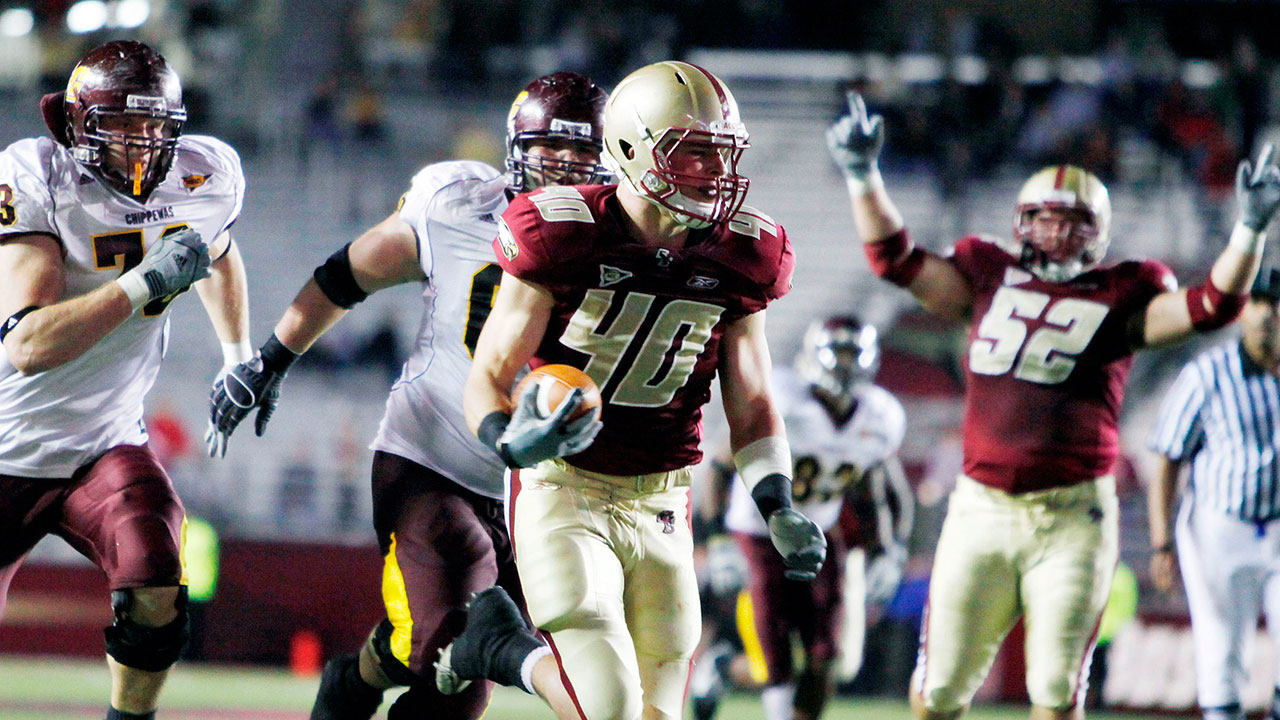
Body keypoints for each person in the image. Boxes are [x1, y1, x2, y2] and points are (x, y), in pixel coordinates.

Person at [826, 90, 1280, 720]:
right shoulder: (986, 274)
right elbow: (896, 260)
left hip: (1073, 519)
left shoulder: (1124, 290)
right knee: (938, 691)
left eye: (1074, 221)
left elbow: (1212, 307)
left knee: (1056, 692)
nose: (1059, 232)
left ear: (1099, 232)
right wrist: (863, 175)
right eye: (1045, 218)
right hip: (981, 509)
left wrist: (1250, 228)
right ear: (1021, 223)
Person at [206, 72, 613, 720]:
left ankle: (354, 681)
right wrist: (272, 359)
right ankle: (385, 673)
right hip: (433, 459)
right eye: (548, 158)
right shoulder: (457, 205)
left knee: (435, 658)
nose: (564, 178)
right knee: (460, 661)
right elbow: (348, 273)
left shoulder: (621, 243)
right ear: (515, 154)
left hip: (536, 492)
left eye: (581, 162)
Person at [435, 60, 829, 720]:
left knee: (659, 710)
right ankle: (506, 648)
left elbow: (754, 401)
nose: (713, 173)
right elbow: (491, 376)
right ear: (625, 148)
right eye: (692, 153)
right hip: (566, 488)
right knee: (608, 704)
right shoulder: (559, 231)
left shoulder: (744, 251)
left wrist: (777, 501)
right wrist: (507, 438)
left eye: (721, 154)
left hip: (665, 500)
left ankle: (503, 649)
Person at [0, 40, 250, 720]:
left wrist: (238, 353)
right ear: (79, 123)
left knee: (157, 576)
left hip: (101, 443)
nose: (140, 145)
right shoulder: (35, 176)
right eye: (119, 126)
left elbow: (217, 252)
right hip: (4, 446)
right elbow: (28, 344)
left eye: (153, 127)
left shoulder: (205, 174)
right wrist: (142, 284)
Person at [690, 314, 915, 720]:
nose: (845, 365)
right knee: (773, 648)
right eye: (838, 354)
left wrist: (887, 549)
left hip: (819, 534)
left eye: (853, 355)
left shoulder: (878, 416)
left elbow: (875, 492)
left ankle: (730, 671)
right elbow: (721, 469)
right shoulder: (785, 396)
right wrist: (716, 539)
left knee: (827, 653)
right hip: (758, 529)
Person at [1148, 266, 1280, 720]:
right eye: (1260, 304)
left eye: (1276, 306)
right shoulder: (1208, 373)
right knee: (1222, 650)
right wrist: (1161, 541)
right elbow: (1167, 457)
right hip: (1219, 526)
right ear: (1244, 313)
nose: (1268, 316)